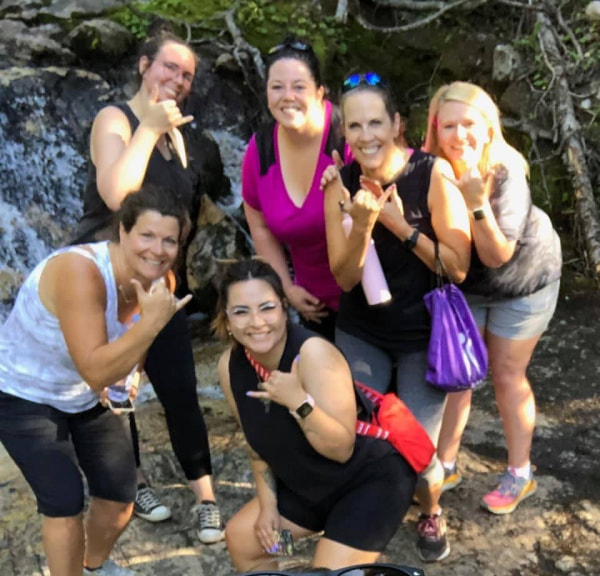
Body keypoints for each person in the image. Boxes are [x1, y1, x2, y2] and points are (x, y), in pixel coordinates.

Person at [72, 32, 223, 541]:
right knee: (116, 390)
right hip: (107, 282)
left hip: (160, 282)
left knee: (179, 386)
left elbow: (179, 224)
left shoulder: (180, 136)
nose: (177, 80)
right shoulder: (116, 119)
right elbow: (116, 193)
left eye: (186, 75)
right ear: (144, 65)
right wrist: (149, 128)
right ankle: (133, 481)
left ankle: (205, 497)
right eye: (169, 67)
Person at [0, 185, 190, 576]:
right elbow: (97, 369)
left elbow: (128, 351)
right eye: (147, 236)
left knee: (120, 497)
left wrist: (133, 373)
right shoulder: (79, 272)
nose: (158, 250)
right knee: (64, 500)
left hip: (85, 393)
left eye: (169, 240)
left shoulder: (162, 283)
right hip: (22, 392)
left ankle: (93, 567)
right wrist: (152, 324)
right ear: (123, 232)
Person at [321, 72, 471, 563]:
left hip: (422, 338)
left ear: (397, 123)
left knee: (416, 450)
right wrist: (362, 223)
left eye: (376, 122)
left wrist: (399, 227)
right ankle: (361, 509)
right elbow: (344, 277)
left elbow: (458, 267)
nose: (366, 136)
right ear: (344, 130)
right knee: (354, 433)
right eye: (355, 125)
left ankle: (429, 509)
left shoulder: (433, 175)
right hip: (362, 330)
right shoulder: (338, 184)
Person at [213, 259, 416, 572]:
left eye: (267, 308)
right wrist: (268, 507)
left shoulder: (314, 354)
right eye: (241, 311)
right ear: (226, 318)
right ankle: (317, 554)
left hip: (368, 483)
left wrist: (299, 402)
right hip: (310, 491)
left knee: (328, 572)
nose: (256, 322)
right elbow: (257, 446)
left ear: (283, 307)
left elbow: (340, 448)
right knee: (245, 542)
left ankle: (343, 557)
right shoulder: (230, 366)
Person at [423, 81, 562, 514]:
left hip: (523, 283)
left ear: (488, 128)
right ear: (435, 128)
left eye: (470, 124)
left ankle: (520, 473)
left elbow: (498, 255)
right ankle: (445, 465)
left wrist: (477, 203)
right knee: (458, 377)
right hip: (468, 287)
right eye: (449, 125)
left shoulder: (505, 172)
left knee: (505, 374)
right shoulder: (427, 165)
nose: (460, 134)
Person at [242, 37, 346, 342]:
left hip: (374, 300)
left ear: (319, 92)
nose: (288, 97)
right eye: (277, 87)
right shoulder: (259, 149)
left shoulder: (347, 137)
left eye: (299, 87)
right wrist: (286, 288)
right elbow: (259, 224)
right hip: (315, 306)